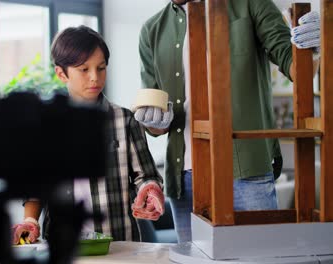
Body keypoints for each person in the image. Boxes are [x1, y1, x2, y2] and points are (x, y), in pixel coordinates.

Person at [135, 0, 321, 243]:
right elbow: (155, 118)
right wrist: (153, 121)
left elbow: (295, 67)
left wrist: (314, 48)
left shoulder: (251, 4)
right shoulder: (151, 30)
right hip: (185, 177)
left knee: (261, 256)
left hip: (248, 169)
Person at [11, 25, 165, 244]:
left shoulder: (125, 119)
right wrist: (30, 222)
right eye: (84, 69)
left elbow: (146, 175)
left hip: (119, 243)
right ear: (61, 73)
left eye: (101, 68)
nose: (95, 77)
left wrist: (150, 191)